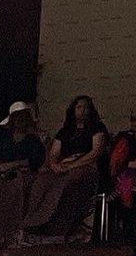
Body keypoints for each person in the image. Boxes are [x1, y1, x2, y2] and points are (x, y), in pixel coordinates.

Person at [21, 95, 107, 243]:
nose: (83, 110)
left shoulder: (97, 128)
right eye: (79, 107)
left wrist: (73, 165)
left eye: (86, 107)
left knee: (66, 183)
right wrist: (54, 165)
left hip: (85, 166)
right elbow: (54, 153)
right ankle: (32, 223)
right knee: (41, 183)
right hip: (63, 166)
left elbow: (95, 153)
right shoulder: (65, 131)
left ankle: (53, 227)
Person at [0, 101, 46, 249]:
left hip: (22, 177)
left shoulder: (33, 141)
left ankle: (10, 235)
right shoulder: (1, 139)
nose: (20, 120)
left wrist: (15, 165)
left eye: (23, 117)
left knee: (14, 187)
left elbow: (35, 161)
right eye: (17, 117)